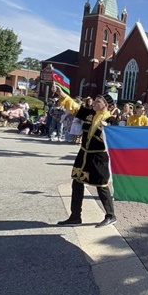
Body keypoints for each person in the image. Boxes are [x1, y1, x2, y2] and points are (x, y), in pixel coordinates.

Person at [53, 85, 117, 228]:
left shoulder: (112, 120)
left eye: (98, 102)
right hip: (84, 155)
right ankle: (75, 216)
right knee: (77, 182)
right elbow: (75, 108)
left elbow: (115, 138)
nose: (94, 104)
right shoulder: (89, 114)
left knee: (102, 186)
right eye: (94, 101)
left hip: (99, 157)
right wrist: (62, 94)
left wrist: (106, 128)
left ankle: (110, 215)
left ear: (106, 105)